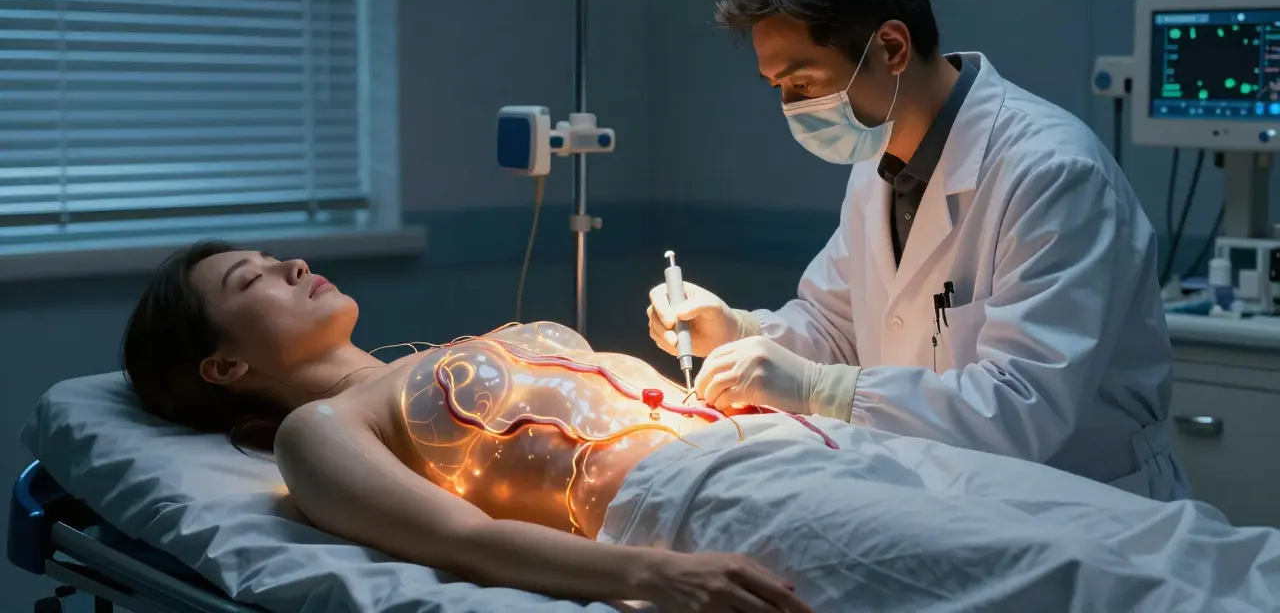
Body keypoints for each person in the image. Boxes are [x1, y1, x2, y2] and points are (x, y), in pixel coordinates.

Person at [121, 242, 1280, 613]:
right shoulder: (322, 433)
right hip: (700, 505)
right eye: (252, 280)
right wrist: (648, 575)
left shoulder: (445, 349)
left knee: (1165, 535)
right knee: (1066, 576)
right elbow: (459, 548)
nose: (291, 264)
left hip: (795, 445)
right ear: (224, 362)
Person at [646, 0, 1189, 502]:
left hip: (1082, 504)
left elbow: (1020, 408)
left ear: (891, 47)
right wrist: (738, 329)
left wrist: (816, 389)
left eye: (803, 84)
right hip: (940, 494)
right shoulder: (880, 158)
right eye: (777, 87)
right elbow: (838, 325)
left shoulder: (1052, 173)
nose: (791, 109)